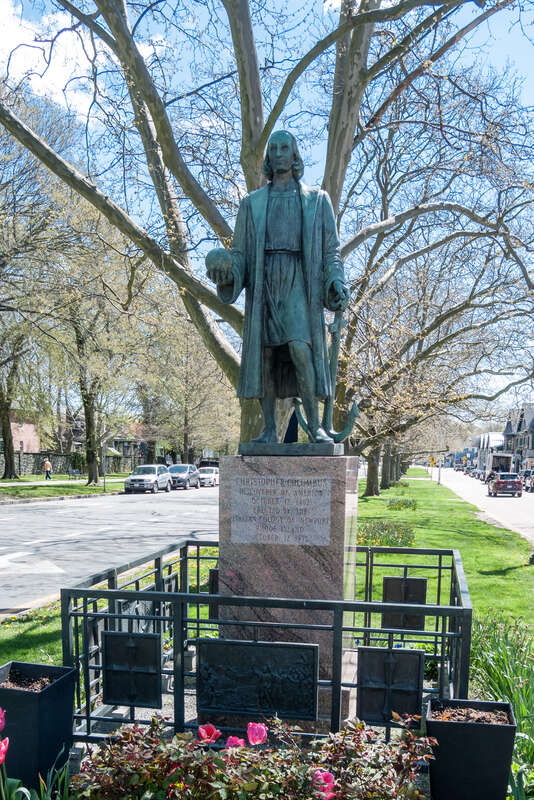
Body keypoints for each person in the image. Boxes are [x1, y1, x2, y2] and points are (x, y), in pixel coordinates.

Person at [206, 130, 349, 443]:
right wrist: (225, 269)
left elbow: (331, 251)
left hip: (300, 280)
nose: (280, 153)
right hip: (264, 281)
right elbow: (240, 255)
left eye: (286, 148)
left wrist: (336, 280)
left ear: (295, 155)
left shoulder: (317, 200)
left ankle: (316, 428)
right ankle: (269, 430)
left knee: (301, 349)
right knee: (266, 355)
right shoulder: (252, 204)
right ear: (268, 157)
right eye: (274, 148)